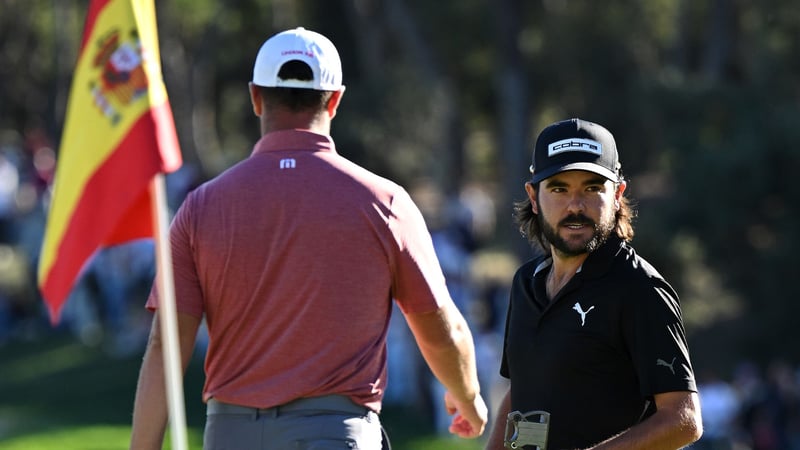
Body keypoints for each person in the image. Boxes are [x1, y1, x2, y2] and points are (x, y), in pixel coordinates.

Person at [129, 27, 487, 450]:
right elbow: (437, 323)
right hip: (336, 434)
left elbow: (165, 342)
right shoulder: (385, 202)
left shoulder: (199, 207)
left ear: (255, 97)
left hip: (230, 435)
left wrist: (144, 445)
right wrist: (468, 397)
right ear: (335, 100)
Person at [485, 118, 703, 449]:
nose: (576, 205)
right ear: (533, 196)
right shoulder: (526, 283)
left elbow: (683, 420)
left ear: (617, 194)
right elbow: (522, 390)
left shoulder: (640, 289)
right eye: (559, 189)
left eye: (592, 188)